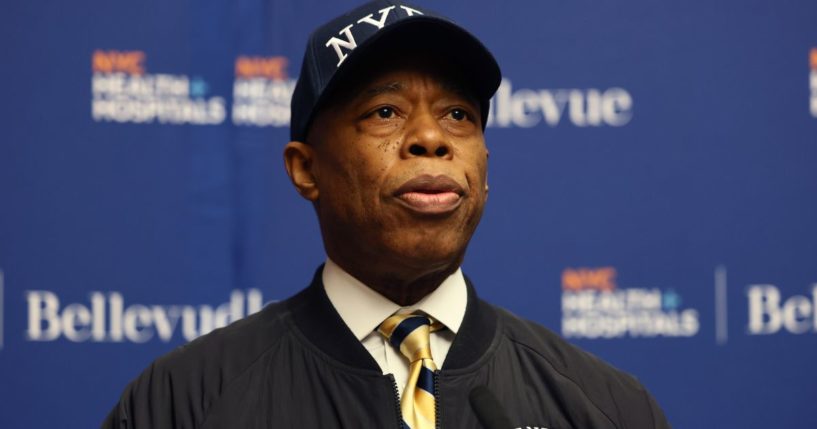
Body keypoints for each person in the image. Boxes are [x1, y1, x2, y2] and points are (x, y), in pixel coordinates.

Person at [103, 1, 671, 428]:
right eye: (384, 111)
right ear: (306, 170)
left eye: (457, 114)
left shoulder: (607, 407)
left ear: (484, 165)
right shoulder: (185, 402)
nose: (430, 138)